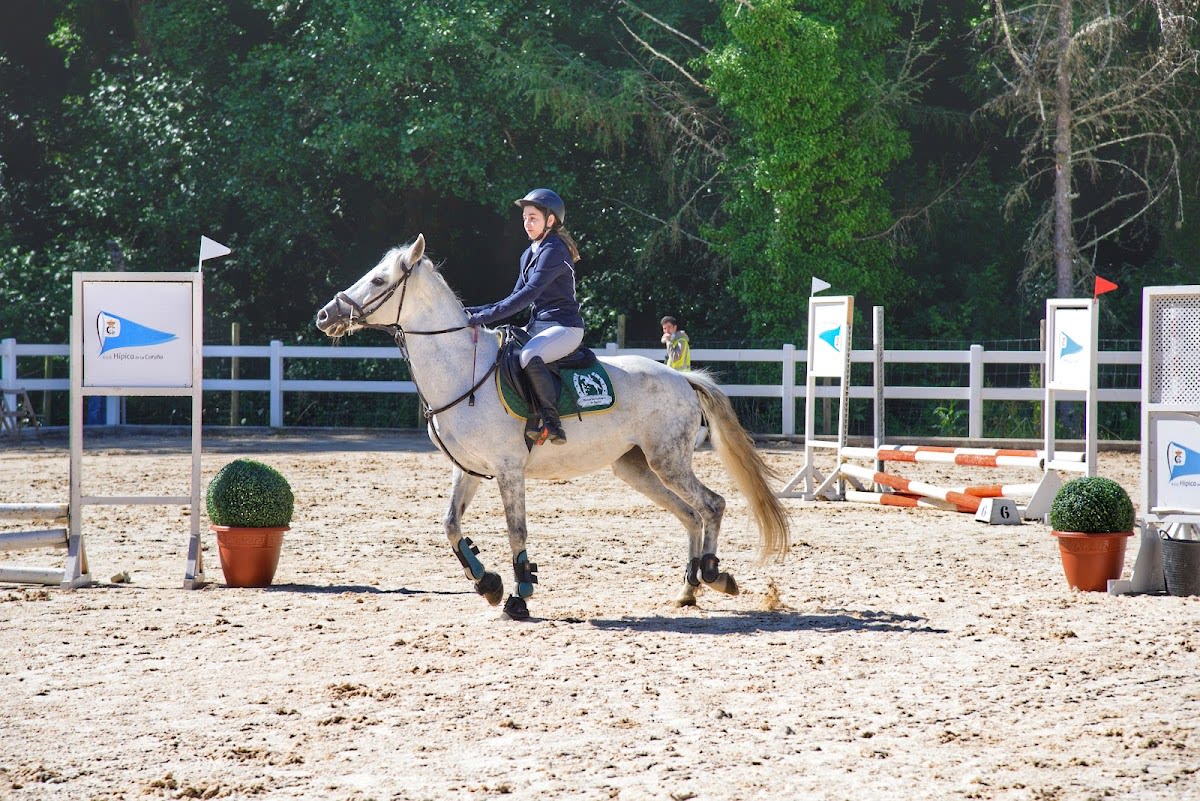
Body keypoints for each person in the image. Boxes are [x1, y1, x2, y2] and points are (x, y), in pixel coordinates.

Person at [466, 188, 584, 445]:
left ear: (550, 221)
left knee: (530, 355)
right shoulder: (528, 253)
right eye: (525, 218)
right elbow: (512, 298)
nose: (527, 224)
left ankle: (552, 423)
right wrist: (472, 312)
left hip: (565, 327)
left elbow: (528, 295)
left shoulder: (554, 250)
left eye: (533, 218)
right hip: (538, 327)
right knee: (505, 351)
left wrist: (482, 317)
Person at [661, 315, 708, 446]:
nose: (667, 331)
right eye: (664, 329)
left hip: (681, 378)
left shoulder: (680, 341)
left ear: (675, 327)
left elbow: (675, 358)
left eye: (669, 327)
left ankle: (699, 431)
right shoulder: (677, 339)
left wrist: (668, 342)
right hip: (676, 378)